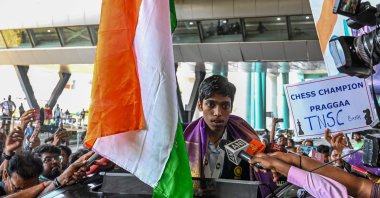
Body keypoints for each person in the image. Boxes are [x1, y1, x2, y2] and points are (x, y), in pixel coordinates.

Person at [184, 75, 260, 181]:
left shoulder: (246, 138)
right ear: (200, 105)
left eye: (225, 106)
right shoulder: (183, 139)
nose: (218, 113)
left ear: (231, 108)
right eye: (211, 104)